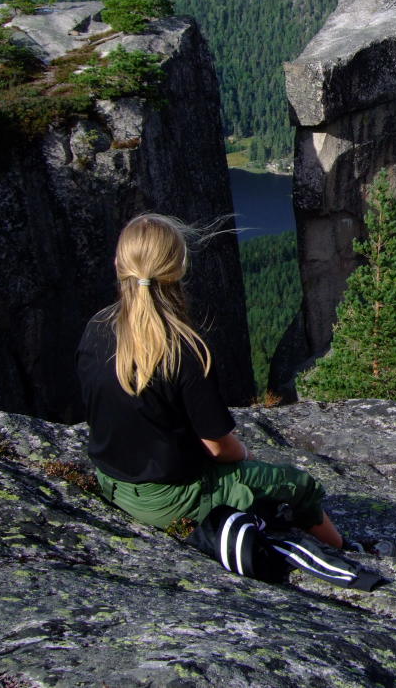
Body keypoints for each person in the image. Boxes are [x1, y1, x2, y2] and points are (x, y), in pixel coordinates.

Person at [78, 212, 343, 547]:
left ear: (118, 264)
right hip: (169, 501)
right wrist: (244, 454)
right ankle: (346, 550)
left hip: (110, 482)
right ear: (179, 270)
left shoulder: (96, 328)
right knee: (298, 484)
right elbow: (218, 448)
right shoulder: (184, 351)